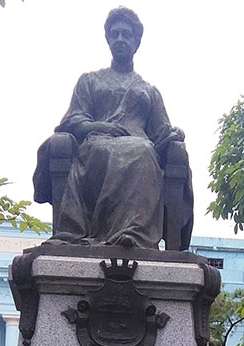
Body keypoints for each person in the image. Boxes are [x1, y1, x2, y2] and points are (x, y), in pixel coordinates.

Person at [33, 7, 192, 249]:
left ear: (136, 42)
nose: (119, 39)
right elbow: (73, 120)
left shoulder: (148, 91)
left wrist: (174, 134)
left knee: (143, 152)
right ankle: (102, 234)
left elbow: (161, 132)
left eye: (126, 35)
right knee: (107, 151)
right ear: (108, 39)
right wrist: (100, 126)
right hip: (96, 144)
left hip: (142, 147)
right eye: (115, 34)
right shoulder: (90, 80)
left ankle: (134, 233)